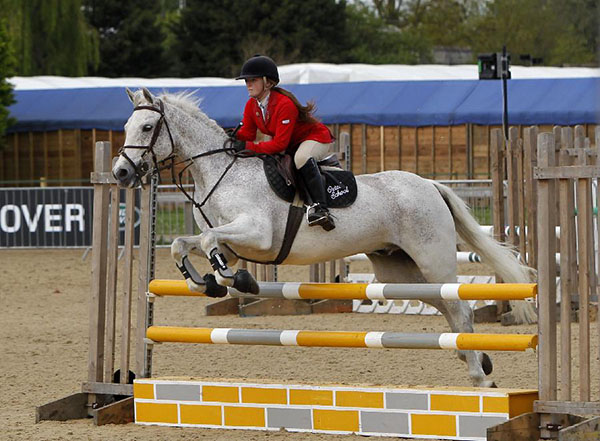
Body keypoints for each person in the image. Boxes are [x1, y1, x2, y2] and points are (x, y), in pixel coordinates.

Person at [232, 54, 335, 230]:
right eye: (246, 80)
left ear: (268, 82)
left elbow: (279, 145)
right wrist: (230, 139)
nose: (248, 84)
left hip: (315, 139)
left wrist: (249, 147)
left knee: (301, 158)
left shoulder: (284, 104)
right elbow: (247, 133)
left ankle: (321, 208)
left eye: (253, 80)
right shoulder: (252, 105)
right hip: (292, 143)